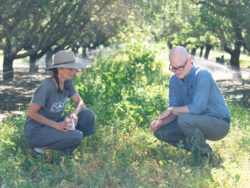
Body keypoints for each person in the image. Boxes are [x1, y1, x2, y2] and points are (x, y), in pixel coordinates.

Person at [149, 46, 230, 157]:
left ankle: (204, 154)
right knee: (161, 132)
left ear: (190, 60)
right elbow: (175, 111)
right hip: (194, 121)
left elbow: (197, 107)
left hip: (219, 124)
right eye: (173, 68)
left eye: (180, 67)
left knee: (184, 119)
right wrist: (160, 122)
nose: (177, 72)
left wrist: (172, 109)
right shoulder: (173, 81)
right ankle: (197, 149)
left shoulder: (202, 75)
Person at [24, 50, 95, 156]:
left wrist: (74, 114)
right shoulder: (46, 86)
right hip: (36, 132)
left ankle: (64, 145)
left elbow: (80, 102)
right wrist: (56, 125)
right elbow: (31, 113)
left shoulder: (67, 83)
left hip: (53, 125)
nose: (74, 71)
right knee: (76, 136)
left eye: (75, 68)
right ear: (59, 69)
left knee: (87, 114)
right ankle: (44, 150)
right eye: (70, 69)